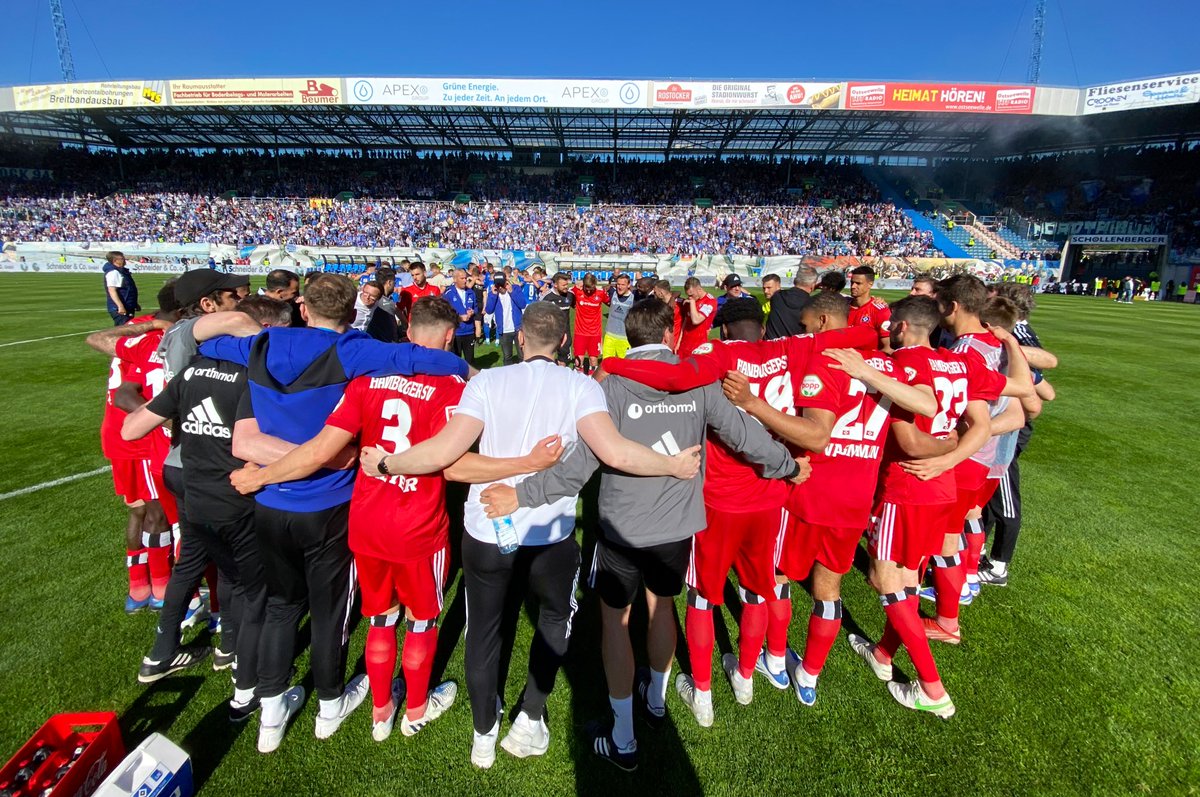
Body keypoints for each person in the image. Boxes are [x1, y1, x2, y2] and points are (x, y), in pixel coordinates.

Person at [354, 302, 701, 770]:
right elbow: (616, 452)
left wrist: (386, 463)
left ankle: (483, 733)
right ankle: (530, 716)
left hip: (486, 528)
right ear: (564, 341)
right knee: (554, 621)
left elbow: (445, 455)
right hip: (549, 531)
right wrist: (672, 465)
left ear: (520, 339)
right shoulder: (581, 385)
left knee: (483, 630)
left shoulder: (486, 383)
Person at [478, 298, 804, 769]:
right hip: (675, 527)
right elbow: (743, 434)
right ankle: (655, 700)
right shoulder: (697, 380)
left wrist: (521, 494)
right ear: (670, 336)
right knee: (661, 606)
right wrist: (787, 465)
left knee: (616, 620)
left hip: (622, 527)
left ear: (628, 338)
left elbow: (578, 467)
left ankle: (624, 737)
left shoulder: (611, 386)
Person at [225, 297, 561, 741]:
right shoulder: (454, 388)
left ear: (407, 330)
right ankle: (416, 708)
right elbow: (453, 465)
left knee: (381, 617)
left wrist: (263, 476)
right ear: (449, 337)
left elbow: (322, 448)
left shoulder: (367, 378)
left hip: (367, 518)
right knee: (421, 620)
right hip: (418, 523)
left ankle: (381, 711)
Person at [194, 273, 471, 754]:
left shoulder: (265, 346)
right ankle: (362, 707)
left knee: (289, 608)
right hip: (351, 504)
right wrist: (463, 368)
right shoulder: (358, 355)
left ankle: (286, 712)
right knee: (351, 615)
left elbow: (210, 344)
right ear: (351, 313)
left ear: (303, 308)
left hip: (280, 501)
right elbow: (412, 367)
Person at [720, 291, 938, 708]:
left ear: (822, 322)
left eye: (805, 325)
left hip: (810, 491)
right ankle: (809, 676)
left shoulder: (825, 361)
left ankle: (776, 659)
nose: (802, 331)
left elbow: (815, 436)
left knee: (778, 578)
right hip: (856, 498)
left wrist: (753, 404)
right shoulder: (887, 365)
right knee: (829, 589)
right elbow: (927, 404)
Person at [121, 297, 292, 719]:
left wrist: (187, 422)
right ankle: (246, 684)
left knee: (208, 568)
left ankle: (204, 648)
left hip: (193, 495)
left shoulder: (192, 371)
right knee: (254, 591)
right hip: (234, 499)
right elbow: (255, 443)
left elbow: (131, 429)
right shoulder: (255, 376)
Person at [834, 296, 1001, 718]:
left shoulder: (903, 364)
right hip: (942, 488)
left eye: (892, 323)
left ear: (903, 326)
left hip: (906, 486)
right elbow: (995, 414)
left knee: (886, 581)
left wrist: (866, 371)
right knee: (907, 580)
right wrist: (951, 458)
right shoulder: (957, 362)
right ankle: (883, 654)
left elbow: (910, 438)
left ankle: (932, 688)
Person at [85, 283, 180, 612]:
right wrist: (167, 423)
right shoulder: (156, 336)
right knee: (156, 511)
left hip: (119, 430)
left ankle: (140, 586)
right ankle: (158, 586)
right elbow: (128, 393)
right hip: (136, 434)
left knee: (139, 509)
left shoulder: (136, 328)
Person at [570, 273, 610, 374]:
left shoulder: (601, 293)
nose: (588, 291)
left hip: (595, 333)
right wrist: (576, 286)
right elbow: (565, 294)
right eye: (586, 288)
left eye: (591, 288)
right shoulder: (576, 291)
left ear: (595, 285)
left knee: (593, 359)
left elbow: (611, 303)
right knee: (578, 360)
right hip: (580, 332)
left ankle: (592, 380)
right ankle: (578, 380)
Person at [485, 273, 527, 366]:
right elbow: (489, 310)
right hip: (504, 330)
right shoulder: (493, 293)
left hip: (518, 328)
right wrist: (493, 295)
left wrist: (512, 292)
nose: (500, 287)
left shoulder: (515, 289)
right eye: (498, 285)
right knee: (507, 357)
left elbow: (522, 304)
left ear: (506, 282)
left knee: (522, 355)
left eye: (502, 284)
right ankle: (508, 374)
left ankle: (524, 373)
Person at [848, 266, 892, 353]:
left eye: (858, 283)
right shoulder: (842, 305)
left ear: (870, 284)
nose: (853, 286)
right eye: (852, 282)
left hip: (865, 360)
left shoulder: (880, 311)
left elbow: (888, 348)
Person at [764, 268, 817, 339]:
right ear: (813, 285)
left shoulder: (777, 297)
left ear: (795, 281)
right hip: (793, 344)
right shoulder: (812, 304)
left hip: (770, 343)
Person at [442, 268, 478, 364]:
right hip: (456, 332)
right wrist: (459, 318)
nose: (465, 280)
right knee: (455, 361)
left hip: (469, 331)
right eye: (462, 278)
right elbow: (444, 313)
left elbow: (476, 308)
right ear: (455, 279)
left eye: (466, 278)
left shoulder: (471, 292)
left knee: (470, 361)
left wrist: (472, 312)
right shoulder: (448, 294)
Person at [540, 271, 575, 365]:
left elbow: (576, 306)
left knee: (563, 361)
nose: (566, 287)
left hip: (565, 334)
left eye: (567, 284)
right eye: (563, 285)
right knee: (547, 360)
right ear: (555, 285)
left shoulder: (570, 295)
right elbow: (538, 315)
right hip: (549, 334)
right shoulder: (547, 297)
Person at [678, 277, 717, 357]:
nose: (689, 297)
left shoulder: (709, 301)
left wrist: (692, 303)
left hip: (698, 346)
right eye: (688, 295)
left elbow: (696, 320)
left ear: (699, 289)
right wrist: (679, 342)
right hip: (684, 345)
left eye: (691, 295)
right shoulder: (691, 300)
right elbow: (685, 321)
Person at [602, 273, 635, 360]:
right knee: (607, 363)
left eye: (623, 284)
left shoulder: (633, 298)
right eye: (618, 284)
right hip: (609, 336)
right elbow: (603, 288)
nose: (619, 287)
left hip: (624, 338)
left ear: (629, 285)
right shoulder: (613, 293)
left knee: (625, 365)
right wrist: (610, 286)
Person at [104, 251, 139, 326]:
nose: (124, 260)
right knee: (125, 330)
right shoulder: (113, 272)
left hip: (128, 305)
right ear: (115, 260)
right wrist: (120, 306)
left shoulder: (122, 271)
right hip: (119, 308)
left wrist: (134, 303)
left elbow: (128, 289)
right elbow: (112, 290)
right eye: (122, 259)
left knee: (126, 329)